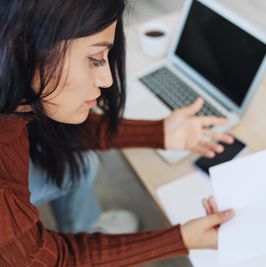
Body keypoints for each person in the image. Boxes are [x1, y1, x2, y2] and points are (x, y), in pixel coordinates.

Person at [0, 0, 235, 265]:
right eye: (94, 59)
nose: (107, 79)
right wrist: (182, 239)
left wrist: (160, 133)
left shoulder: (16, 97)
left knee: (81, 166)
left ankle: (86, 227)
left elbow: (58, 132)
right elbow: (58, 261)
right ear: (24, 49)